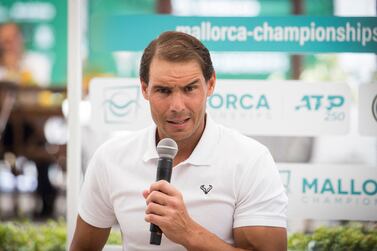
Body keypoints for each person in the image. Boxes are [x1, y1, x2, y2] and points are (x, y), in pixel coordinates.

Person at [70, 31, 287, 251]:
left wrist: (188, 233)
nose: (177, 106)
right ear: (144, 89)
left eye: (189, 88)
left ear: (210, 84)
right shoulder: (111, 158)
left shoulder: (250, 160)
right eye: (163, 90)